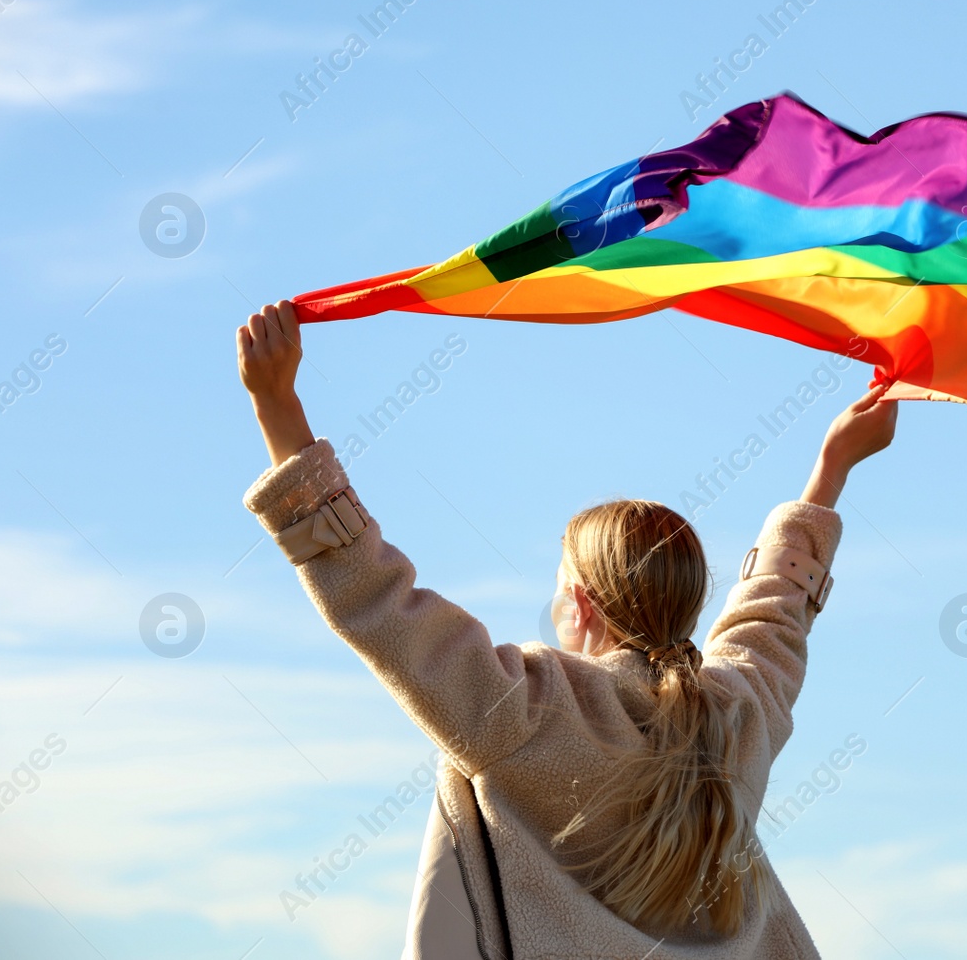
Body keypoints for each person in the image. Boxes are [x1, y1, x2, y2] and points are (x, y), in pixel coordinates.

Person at [237, 300, 897, 958]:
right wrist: (832, 466)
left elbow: (373, 591)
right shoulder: (735, 719)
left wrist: (276, 404)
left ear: (579, 604)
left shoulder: (523, 710)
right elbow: (775, 608)